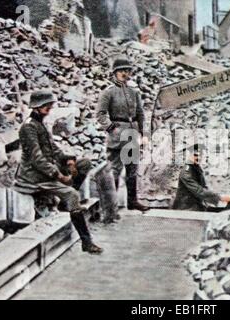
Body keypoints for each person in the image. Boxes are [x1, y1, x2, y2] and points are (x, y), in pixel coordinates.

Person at [14, 90, 103, 255]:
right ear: (37, 107)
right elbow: (37, 159)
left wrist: (68, 160)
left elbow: (54, 150)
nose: (49, 108)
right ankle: (87, 242)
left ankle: (64, 204)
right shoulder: (28, 128)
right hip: (34, 176)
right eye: (46, 105)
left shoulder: (40, 124)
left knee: (84, 164)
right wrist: (59, 175)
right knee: (72, 195)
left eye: (50, 105)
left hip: (46, 170)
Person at [96, 58, 149, 212]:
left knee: (132, 171)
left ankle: (132, 202)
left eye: (127, 71)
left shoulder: (134, 92)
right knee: (115, 170)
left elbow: (140, 114)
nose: (124, 74)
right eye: (121, 71)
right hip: (117, 135)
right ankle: (110, 206)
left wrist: (144, 134)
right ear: (114, 73)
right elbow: (100, 115)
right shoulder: (108, 92)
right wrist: (112, 128)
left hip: (132, 134)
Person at [172, 144, 230, 212]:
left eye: (200, 155)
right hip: (185, 208)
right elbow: (199, 191)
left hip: (196, 205)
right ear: (189, 155)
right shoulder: (186, 172)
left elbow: (204, 187)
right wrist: (220, 198)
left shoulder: (197, 168)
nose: (198, 158)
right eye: (195, 155)